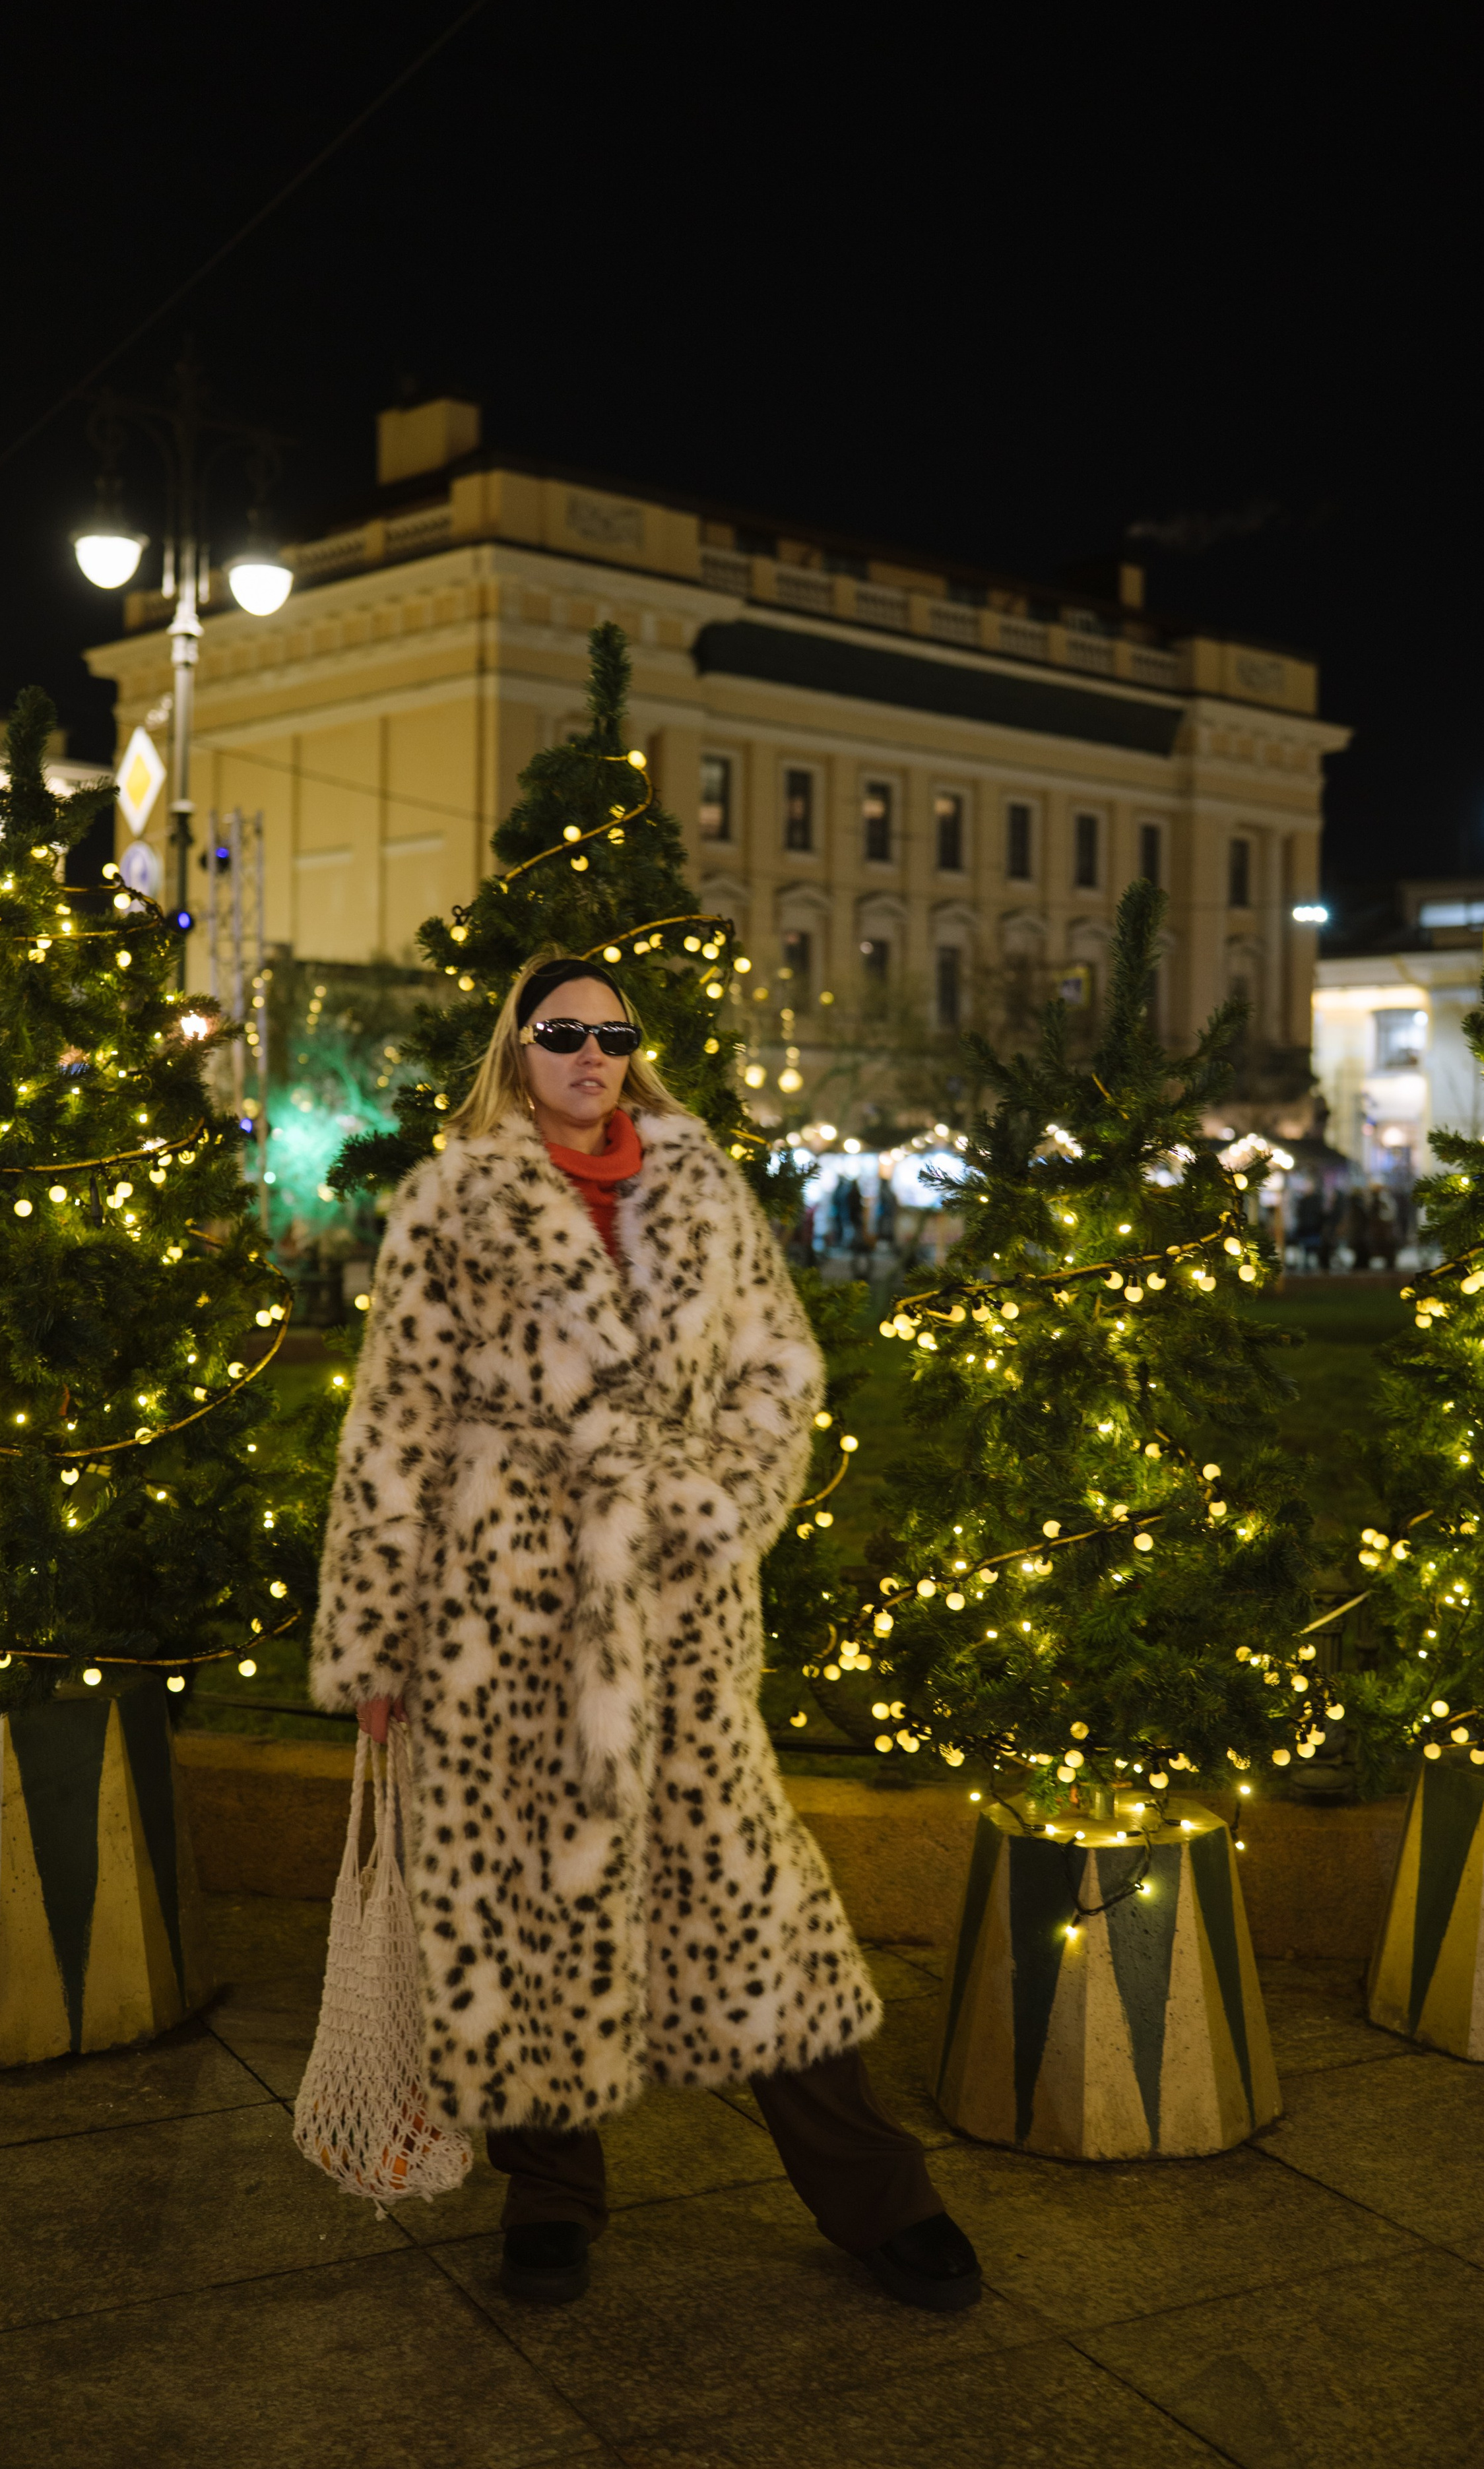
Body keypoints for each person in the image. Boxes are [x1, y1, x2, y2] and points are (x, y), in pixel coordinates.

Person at [310, 947, 980, 2313]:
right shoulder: (451, 1201)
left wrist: (712, 1507)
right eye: (560, 1031)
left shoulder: (699, 1190)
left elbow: (780, 1372)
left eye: (611, 1034)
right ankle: (549, 2200)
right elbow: (393, 1432)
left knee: (756, 1911)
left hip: (675, 1624)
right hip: (496, 1622)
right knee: (518, 1916)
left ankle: (876, 2198)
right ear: (516, 1046)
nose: (588, 1055)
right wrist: (374, 1642)